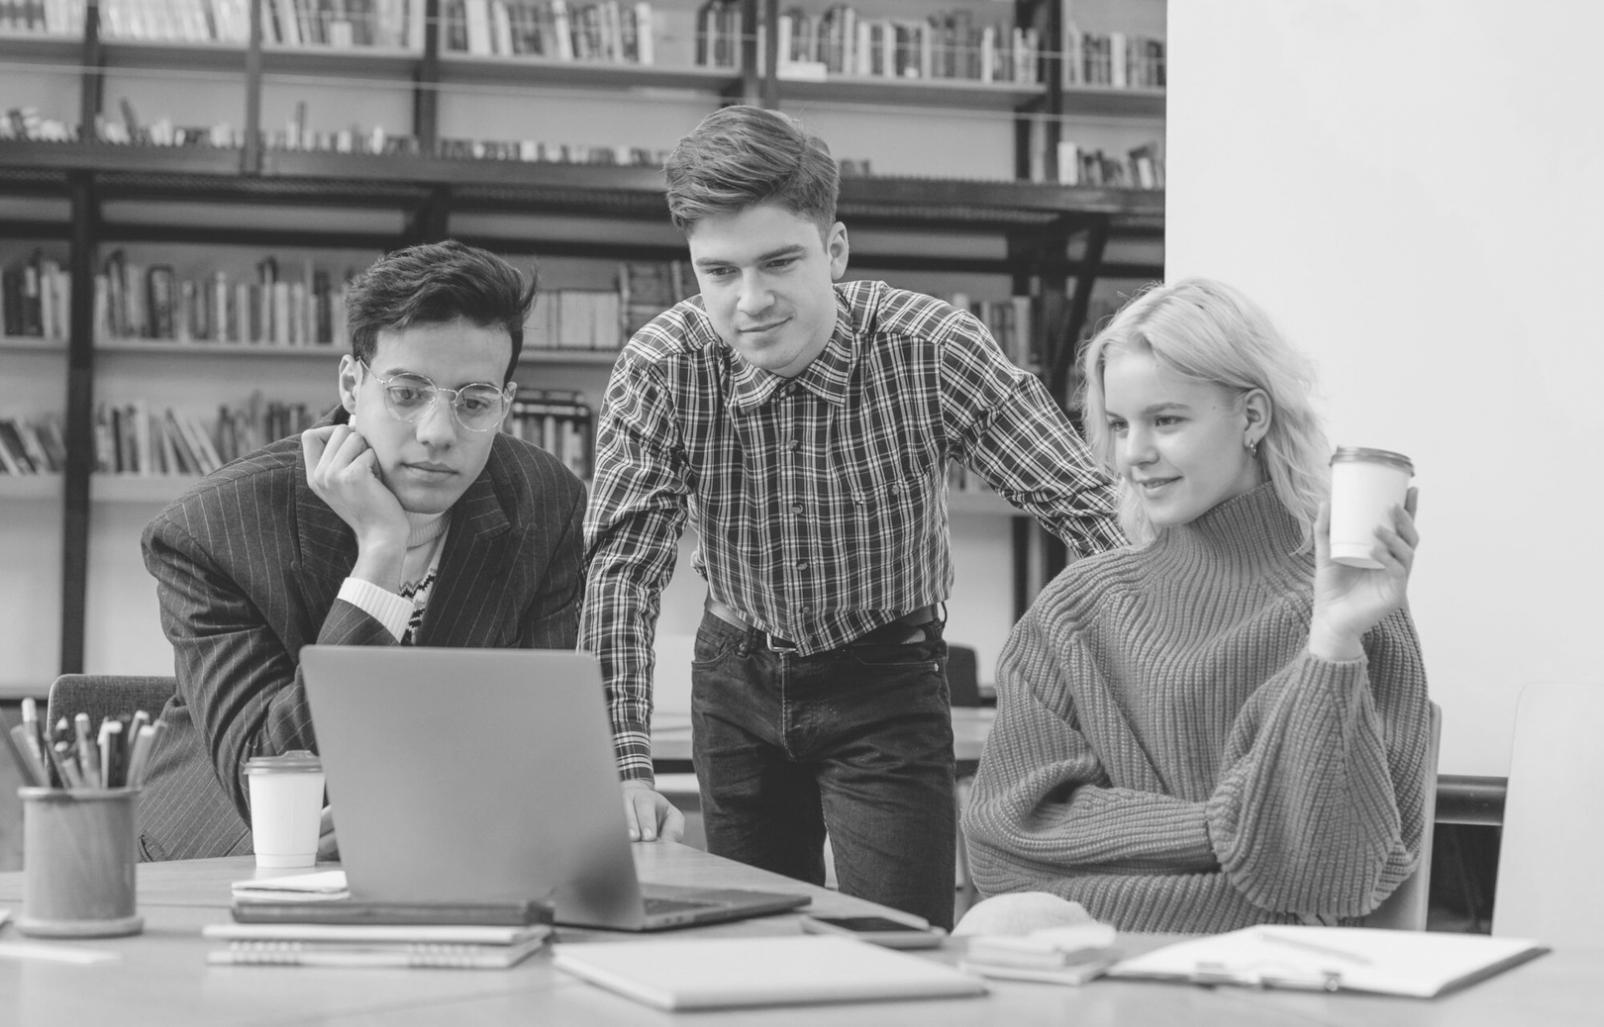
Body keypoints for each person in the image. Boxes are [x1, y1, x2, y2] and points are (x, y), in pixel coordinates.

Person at [581, 105, 1125, 929]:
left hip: (886, 675)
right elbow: (622, 570)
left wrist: (1153, 678)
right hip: (737, 676)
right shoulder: (661, 369)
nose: (750, 301)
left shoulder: (930, 347)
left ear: (833, 249)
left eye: (779, 262)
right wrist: (621, 764)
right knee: (750, 946)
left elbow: (1084, 503)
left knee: (896, 946)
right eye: (719, 272)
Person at [959, 278, 1432, 933]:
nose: (1134, 454)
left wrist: (1333, 642)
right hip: (1097, 969)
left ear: (1253, 417)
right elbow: (1005, 845)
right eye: (1121, 425)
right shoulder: (1074, 612)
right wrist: (1236, 829)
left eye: (1167, 419)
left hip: (1269, 983)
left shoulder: (1349, 608)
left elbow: (1338, 875)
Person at [137, 240, 587, 862]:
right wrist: (380, 553)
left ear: (505, 406)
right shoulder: (214, 528)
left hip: (442, 844)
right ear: (352, 385)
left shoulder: (548, 506)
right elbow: (271, 780)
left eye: (474, 402)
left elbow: (537, 742)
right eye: (407, 393)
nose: (437, 433)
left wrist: (407, 813)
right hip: (229, 851)